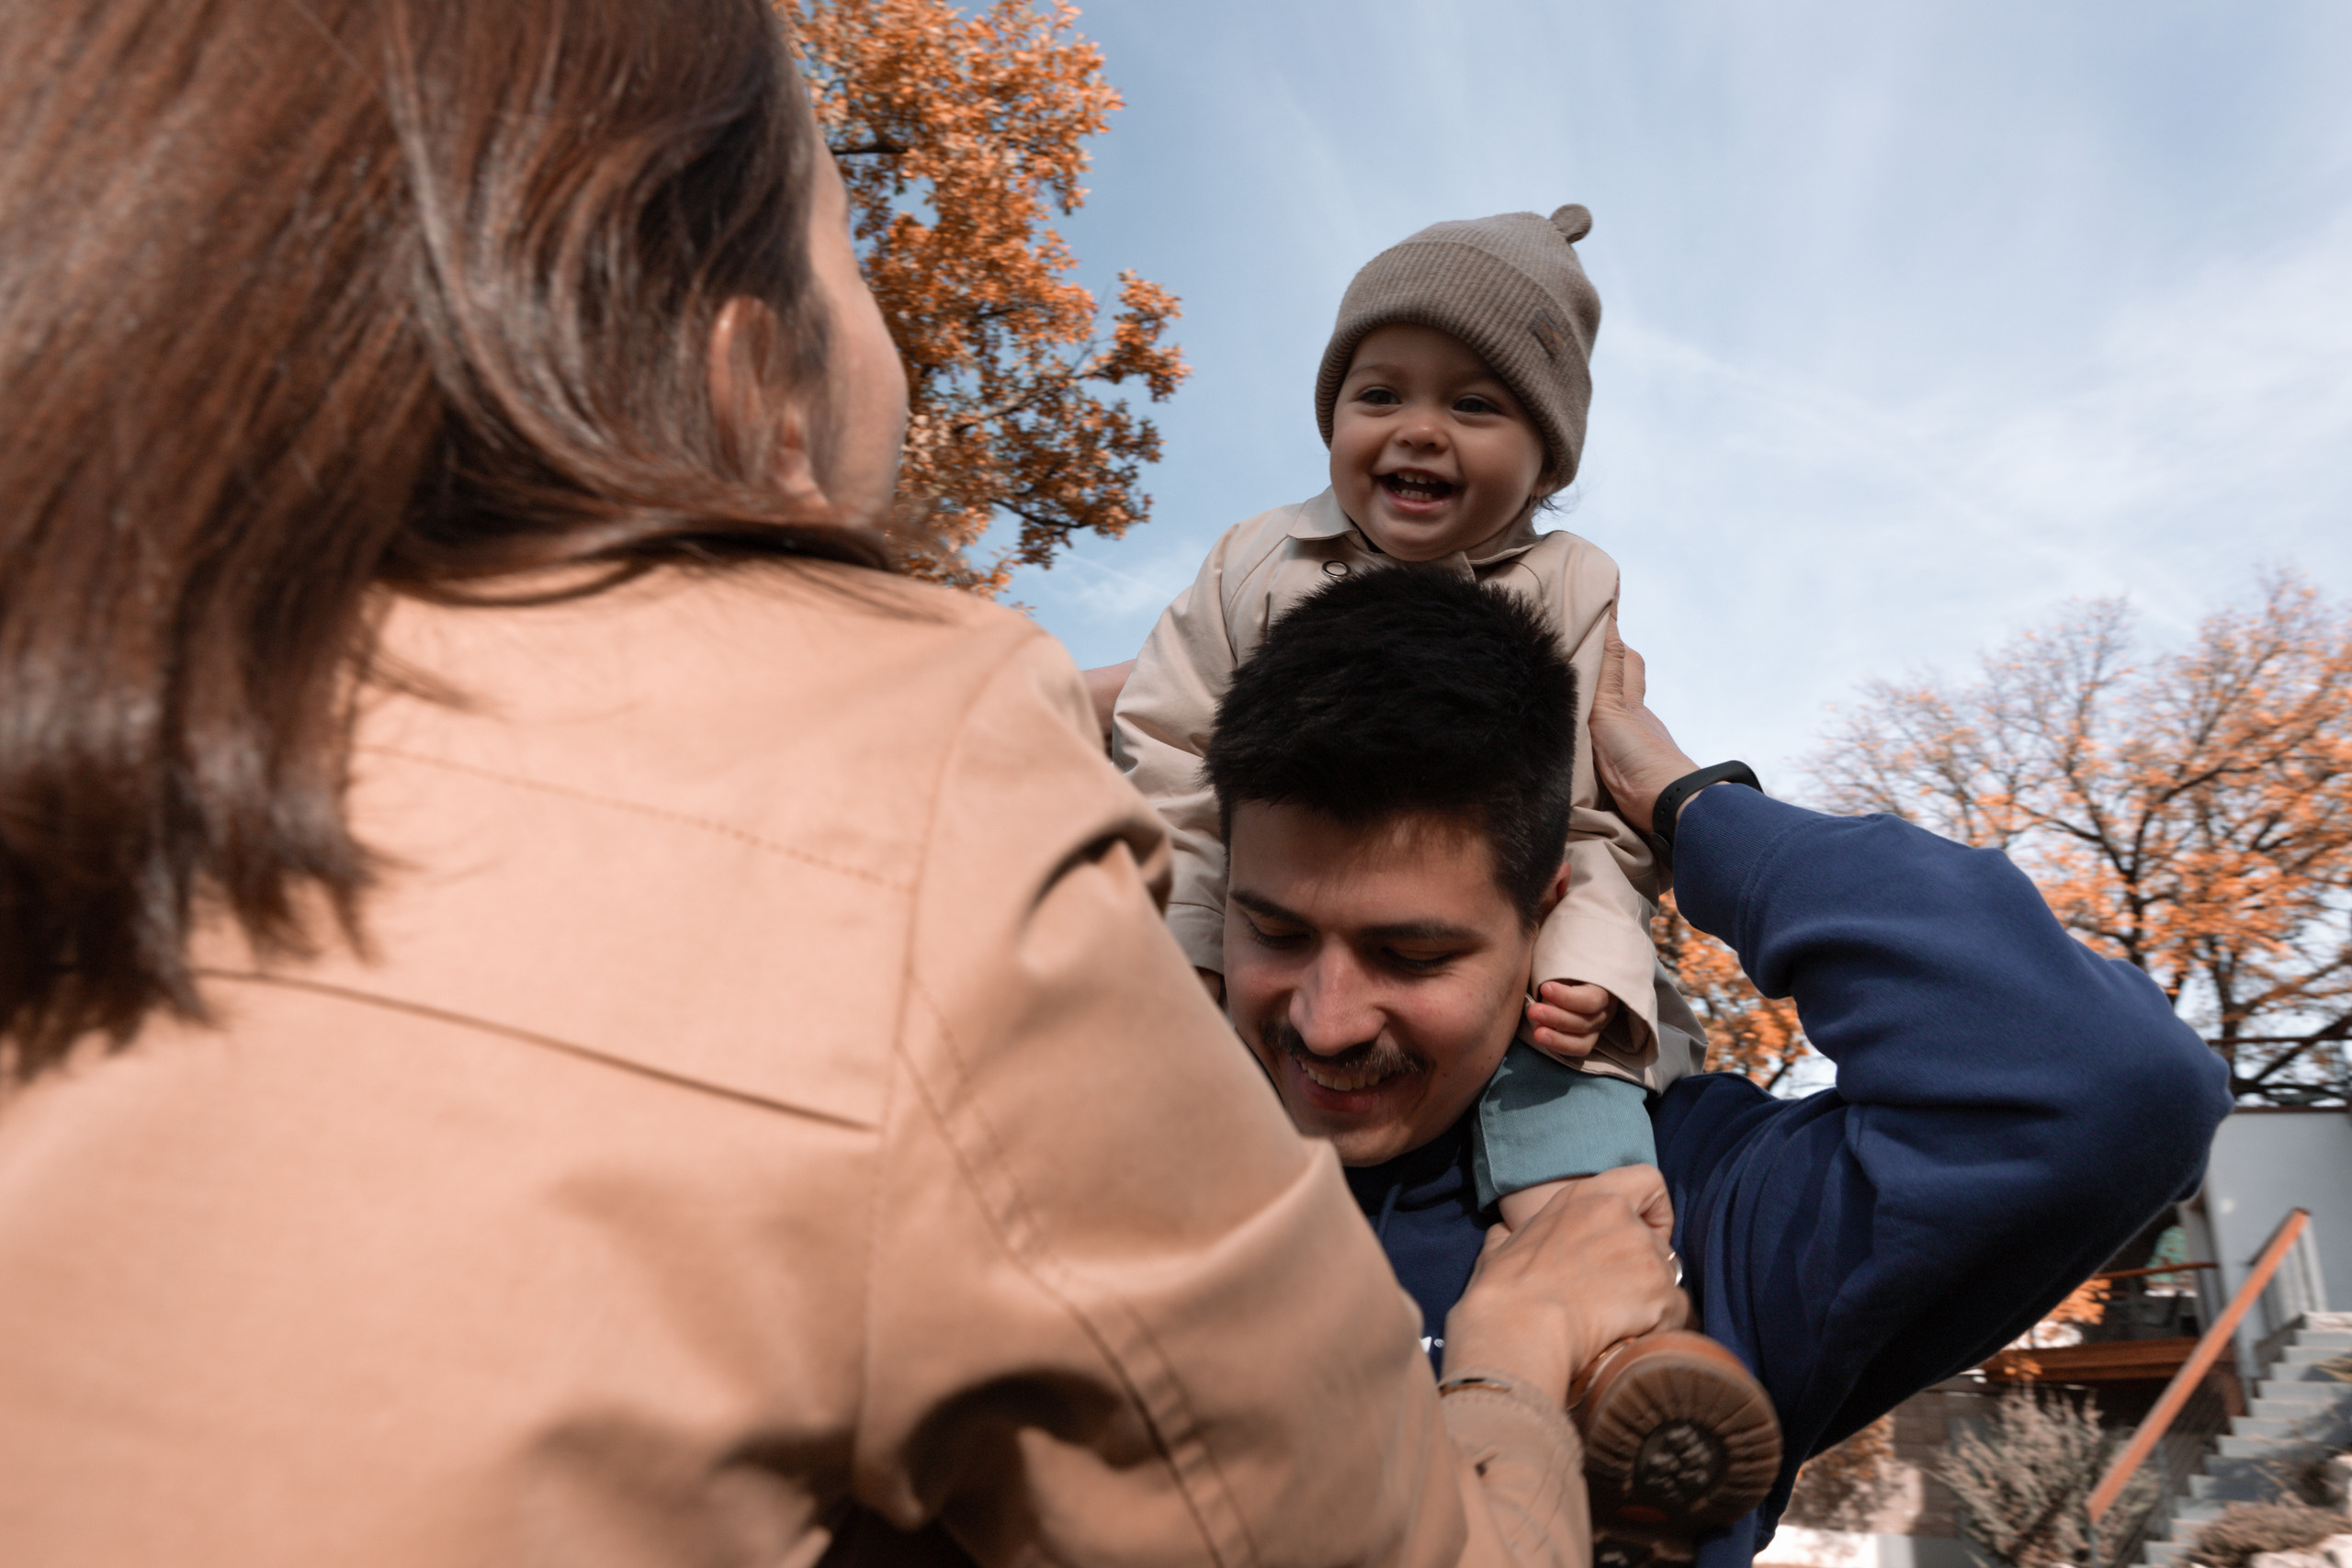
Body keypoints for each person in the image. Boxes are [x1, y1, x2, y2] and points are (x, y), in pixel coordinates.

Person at [0, 3, 1679, 1564]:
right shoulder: (933, 807)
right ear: (755, 367)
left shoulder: (97, 703)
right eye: (847, 241)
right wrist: (1517, 1366)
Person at [1201, 568, 2234, 1568]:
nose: (1326, 1022)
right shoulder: (1088, 1169)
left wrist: (1687, 805)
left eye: (1411, 955)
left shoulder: (1676, 1204)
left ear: (1543, 916)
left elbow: (2115, 1084)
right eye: (1273, 933)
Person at [1110, 207, 1701, 1229]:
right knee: (1172, 1056)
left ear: (1549, 459)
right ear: (1332, 417)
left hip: (1502, 919)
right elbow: (1169, 748)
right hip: (1279, 914)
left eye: (1474, 405)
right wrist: (1195, 930)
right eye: (1378, 394)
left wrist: (1591, 960)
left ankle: (1592, 1286)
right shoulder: (1259, 559)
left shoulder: (1569, 586)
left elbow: (1590, 819)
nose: (1418, 429)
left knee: (1569, 1069)